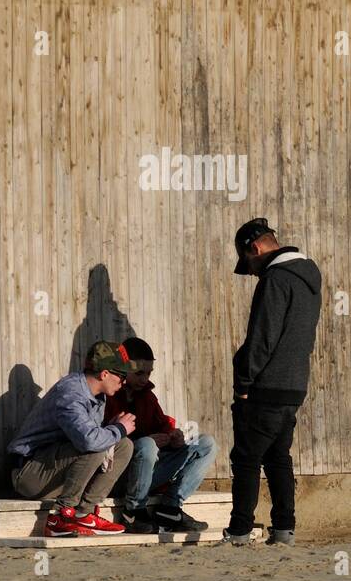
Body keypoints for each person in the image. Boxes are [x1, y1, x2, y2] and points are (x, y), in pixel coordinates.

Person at [224, 218, 322, 546]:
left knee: (247, 458)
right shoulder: (308, 275)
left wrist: (243, 382)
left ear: (256, 248)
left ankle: (239, 531)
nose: (251, 272)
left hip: (266, 385)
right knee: (278, 456)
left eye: (249, 264)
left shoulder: (276, 279)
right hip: (294, 384)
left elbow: (263, 338)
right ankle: (283, 530)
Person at [7, 340, 137, 538]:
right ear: (104, 374)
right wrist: (118, 428)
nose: (124, 382)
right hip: (29, 475)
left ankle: (84, 512)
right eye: (122, 376)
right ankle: (61, 517)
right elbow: (88, 441)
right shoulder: (71, 394)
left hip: (54, 472)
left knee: (124, 445)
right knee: (96, 445)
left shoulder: (97, 394)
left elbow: (90, 436)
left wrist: (112, 430)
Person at [104, 336, 218, 534]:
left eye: (148, 373)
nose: (145, 379)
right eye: (139, 373)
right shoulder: (107, 394)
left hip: (147, 471)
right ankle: (133, 510)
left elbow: (163, 425)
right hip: (117, 476)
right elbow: (100, 442)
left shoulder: (146, 395)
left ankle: (170, 507)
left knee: (206, 443)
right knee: (146, 445)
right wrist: (143, 442)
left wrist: (173, 437)